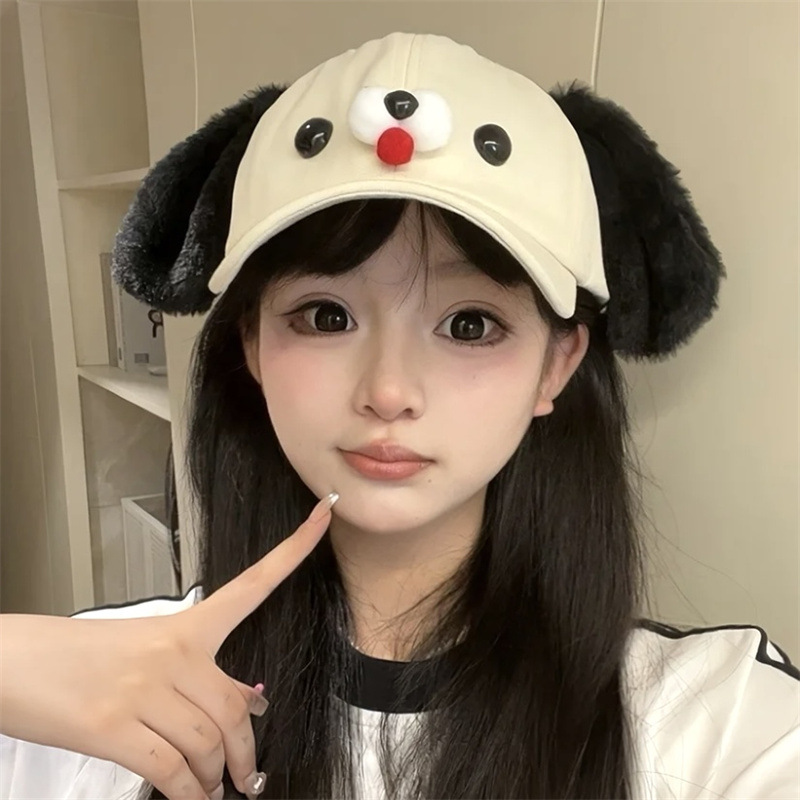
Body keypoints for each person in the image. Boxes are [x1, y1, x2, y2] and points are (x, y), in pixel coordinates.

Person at [0, 31, 797, 800]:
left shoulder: (717, 721)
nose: (388, 391)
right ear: (251, 343)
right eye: (326, 315)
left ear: (557, 364)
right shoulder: (90, 697)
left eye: (470, 324)